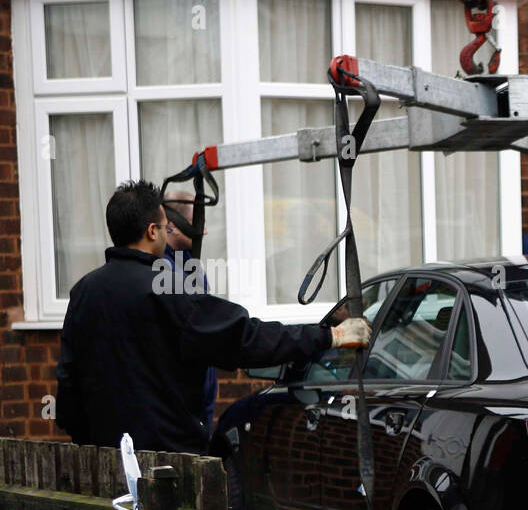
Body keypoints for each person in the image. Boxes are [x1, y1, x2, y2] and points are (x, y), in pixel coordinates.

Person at [56, 179, 369, 455]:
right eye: (164, 227)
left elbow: (68, 386)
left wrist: (91, 445)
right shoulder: (169, 285)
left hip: (103, 463)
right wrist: (331, 336)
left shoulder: (84, 292)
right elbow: (244, 338)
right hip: (168, 465)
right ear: (152, 231)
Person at [160, 190, 219, 438]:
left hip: (200, 400)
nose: (203, 231)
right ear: (171, 226)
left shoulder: (189, 265)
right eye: (196, 224)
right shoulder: (164, 272)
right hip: (179, 407)